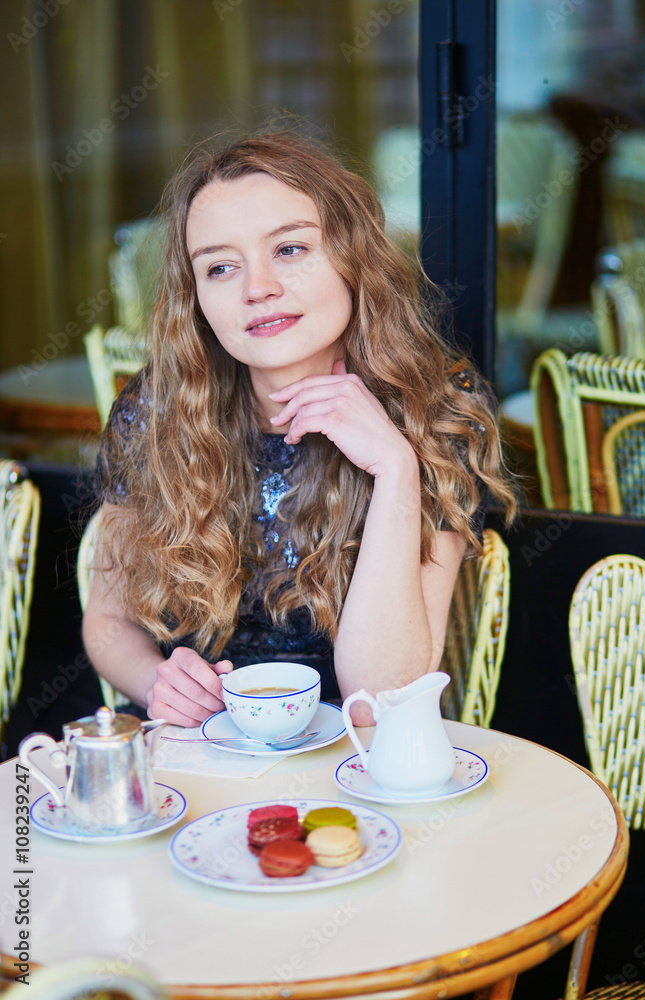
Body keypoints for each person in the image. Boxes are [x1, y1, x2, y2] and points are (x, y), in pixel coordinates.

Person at [83, 129, 515, 729]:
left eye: (289, 249)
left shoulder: (437, 411)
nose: (257, 289)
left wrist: (395, 469)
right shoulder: (159, 407)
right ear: (196, 296)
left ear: (352, 257)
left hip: (354, 758)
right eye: (220, 267)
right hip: (201, 751)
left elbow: (378, 700)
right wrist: (159, 683)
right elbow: (108, 623)